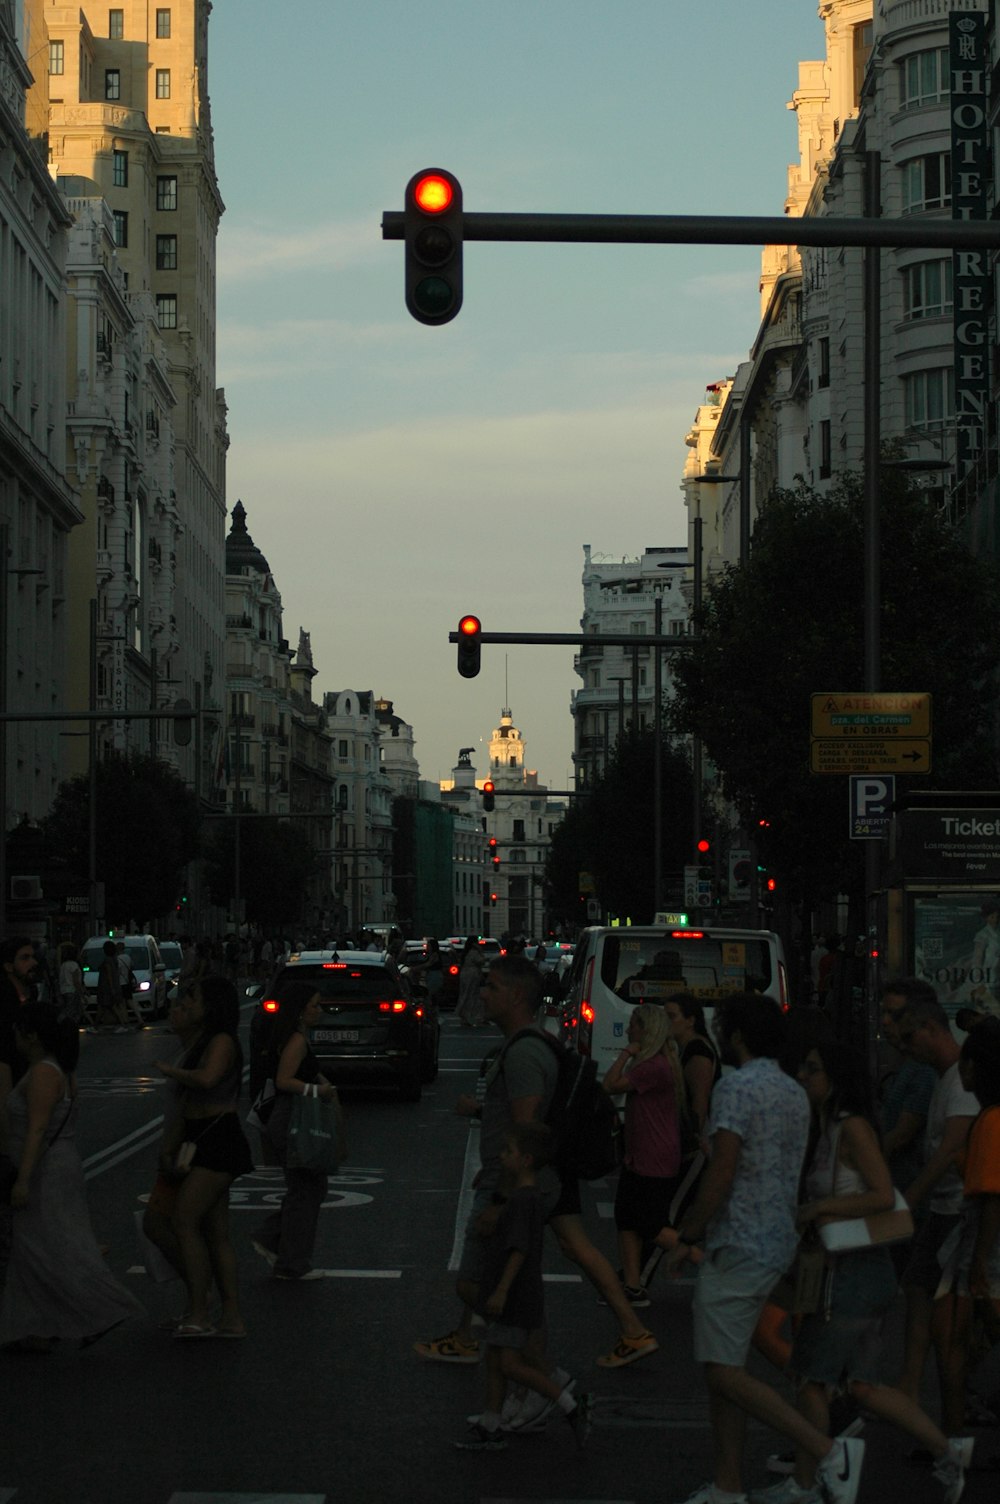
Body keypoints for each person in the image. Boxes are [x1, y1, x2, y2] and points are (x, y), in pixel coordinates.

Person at [415, 956, 656, 1417]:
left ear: (517, 997)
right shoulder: (530, 1044)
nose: (481, 993)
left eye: (492, 987)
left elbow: (526, 1133)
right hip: (540, 1177)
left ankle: (540, 1377)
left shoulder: (524, 1052)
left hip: (520, 1183)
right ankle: (597, 1344)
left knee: (479, 1283)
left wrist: (501, 1199)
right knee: (541, 1269)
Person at [753, 1034, 970, 1504]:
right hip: (857, 1272)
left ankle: (810, 1480)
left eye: (813, 1068)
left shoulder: (851, 1128)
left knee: (811, 1379)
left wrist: (819, 1209)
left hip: (850, 1272)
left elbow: (880, 1193)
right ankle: (947, 1453)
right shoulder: (829, 1125)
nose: (803, 1077)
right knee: (862, 1387)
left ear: (836, 1076)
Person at [666, 993, 864, 1504]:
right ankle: (728, 1484)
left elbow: (722, 1171)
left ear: (734, 1035)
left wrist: (687, 1233)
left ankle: (826, 1451)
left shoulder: (735, 1089)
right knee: (727, 1366)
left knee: (722, 1370)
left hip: (738, 1240)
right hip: (779, 1238)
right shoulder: (794, 1092)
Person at [0, 1002, 142, 1351]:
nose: (13, 1035)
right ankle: (32, 1326)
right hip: (52, 1167)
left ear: (32, 1036)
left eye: (19, 1030)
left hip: (47, 1171)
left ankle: (103, 1308)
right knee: (33, 1250)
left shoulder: (45, 1074)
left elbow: (37, 1129)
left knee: (59, 1247)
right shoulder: (50, 1068)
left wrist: (22, 1179)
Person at [456, 1122, 591, 1451]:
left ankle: (568, 1403)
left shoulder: (522, 1201)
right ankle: (491, 1423)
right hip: (512, 1291)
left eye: (508, 1152)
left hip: (514, 1294)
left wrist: (501, 1290)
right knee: (494, 1359)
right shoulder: (526, 1197)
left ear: (526, 1160)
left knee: (509, 1364)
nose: (502, 1157)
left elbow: (519, 1249)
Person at [891, 985, 979, 1417]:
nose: (905, 1048)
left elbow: (950, 1149)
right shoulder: (947, 1077)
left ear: (931, 1028)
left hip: (959, 1209)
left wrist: (909, 1198)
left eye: (910, 1037)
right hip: (945, 1207)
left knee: (951, 1312)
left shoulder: (962, 1079)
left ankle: (953, 1409)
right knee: (921, 1288)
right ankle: (916, 1390)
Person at [154, 975, 253, 1337]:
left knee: (184, 1221)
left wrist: (171, 1071)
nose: (187, 1003)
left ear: (211, 1006)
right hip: (201, 1137)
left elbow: (208, 1079)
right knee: (215, 1232)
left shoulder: (222, 1041)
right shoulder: (205, 1040)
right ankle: (230, 1316)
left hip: (218, 1138)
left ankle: (201, 1310)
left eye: (193, 998)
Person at [251, 981, 340, 1281]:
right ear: (301, 1011)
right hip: (291, 1119)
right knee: (306, 1189)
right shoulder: (296, 1041)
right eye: (315, 1005)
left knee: (307, 1188)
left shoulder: (296, 1037)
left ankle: (275, 1241)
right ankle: (291, 1261)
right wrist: (318, 1091)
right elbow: (284, 1080)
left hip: (289, 1118)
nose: (320, 1010)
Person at [939, 1018, 1000, 1437]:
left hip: (989, 1254)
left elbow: (991, 1197)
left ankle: (956, 1431)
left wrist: (978, 1260)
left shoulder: (992, 1120)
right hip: (985, 1251)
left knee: (965, 1337)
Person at [602, 1002, 684, 1303]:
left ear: (645, 1030)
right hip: (642, 1154)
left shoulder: (653, 1066)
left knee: (649, 1224)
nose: (628, 1029)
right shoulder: (660, 1063)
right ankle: (632, 1285)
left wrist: (626, 1053)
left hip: (653, 1155)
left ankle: (705, 1258)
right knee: (626, 1217)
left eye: (634, 1024)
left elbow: (610, 1085)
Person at [879, 984, 937, 1198]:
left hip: (909, 1190)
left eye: (894, 1015)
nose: (885, 1022)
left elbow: (902, 1134)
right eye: (883, 1013)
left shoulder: (922, 1069)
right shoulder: (908, 1065)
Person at [95, 939, 128, 1031]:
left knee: (105, 1006)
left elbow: (109, 974)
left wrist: (111, 986)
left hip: (106, 987)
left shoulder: (107, 961)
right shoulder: (114, 960)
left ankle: (95, 1025)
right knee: (110, 1006)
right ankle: (122, 1024)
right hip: (113, 986)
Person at [56, 942, 87, 1027]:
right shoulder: (74, 965)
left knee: (68, 1009)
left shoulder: (63, 965)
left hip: (63, 990)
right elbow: (76, 981)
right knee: (71, 1010)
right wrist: (82, 994)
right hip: (72, 990)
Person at [455, 939, 485, 1028]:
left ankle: (463, 1015)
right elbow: (481, 961)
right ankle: (468, 1016)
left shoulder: (466, 953)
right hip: (472, 974)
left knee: (464, 994)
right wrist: (481, 951)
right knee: (471, 995)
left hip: (464, 973)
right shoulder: (474, 953)